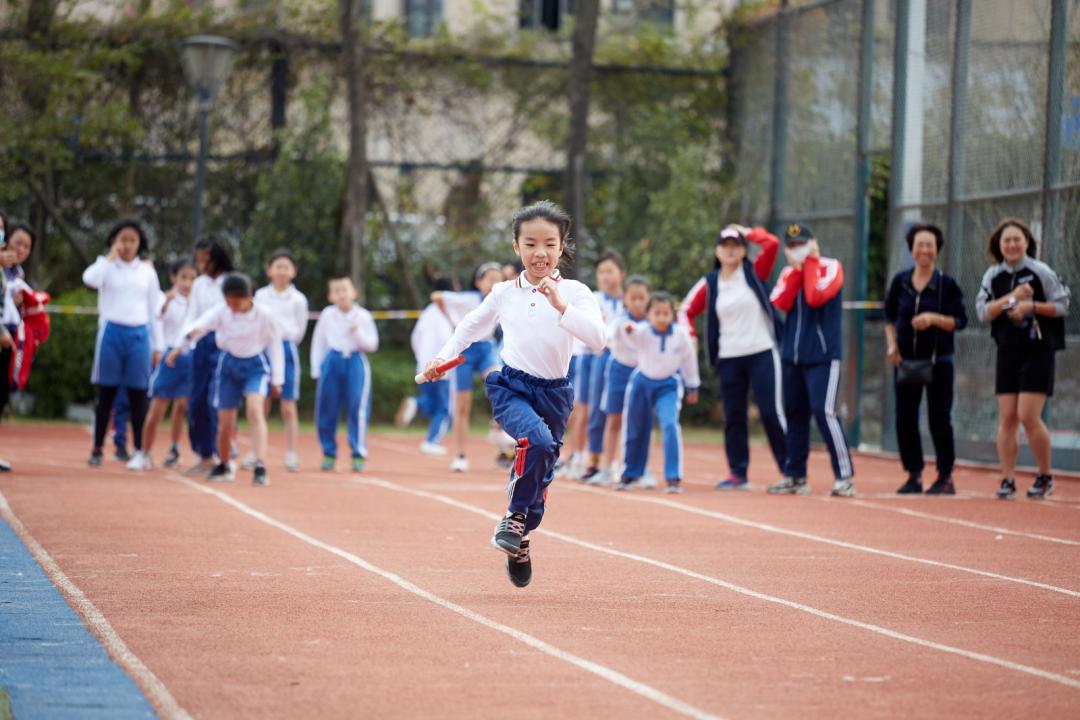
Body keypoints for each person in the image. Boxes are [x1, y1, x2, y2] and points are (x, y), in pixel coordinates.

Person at [422, 200, 605, 588]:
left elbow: (598, 340)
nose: (540, 253)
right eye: (531, 243)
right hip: (512, 387)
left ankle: (520, 537)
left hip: (555, 393)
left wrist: (561, 306)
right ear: (516, 246)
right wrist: (441, 358)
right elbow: (469, 327)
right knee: (535, 441)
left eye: (549, 244)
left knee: (542, 469)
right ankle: (514, 517)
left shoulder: (575, 291)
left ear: (562, 247)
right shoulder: (504, 292)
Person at [680, 224, 787, 491]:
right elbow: (685, 310)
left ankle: (790, 470)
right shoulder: (711, 282)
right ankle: (738, 472)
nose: (730, 250)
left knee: (771, 412)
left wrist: (748, 232)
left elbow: (772, 244)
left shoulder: (754, 272)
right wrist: (690, 337)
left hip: (762, 351)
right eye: (725, 245)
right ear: (717, 250)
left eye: (736, 245)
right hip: (729, 357)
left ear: (743, 250)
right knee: (734, 416)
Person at [975, 218, 1070, 500]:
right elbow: (982, 312)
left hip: (1038, 350)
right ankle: (1007, 478)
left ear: (1027, 242)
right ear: (999, 245)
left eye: (1017, 239)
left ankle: (1044, 475)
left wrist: (1031, 306)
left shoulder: (1040, 271)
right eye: (1007, 240)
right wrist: (1011, 298)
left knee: (1029, 415)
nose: (1012, 245)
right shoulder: (993, 276)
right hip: (1007, 350)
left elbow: (1062, 305)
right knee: (1007, 416)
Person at [767, 223, 855, 497]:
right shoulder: (787, 273)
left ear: (813, 243)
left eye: (802, 243)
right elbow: (779, 301)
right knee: (795, 416)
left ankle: (844, 476)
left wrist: (811, 262)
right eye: (792, 246)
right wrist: (796, 270)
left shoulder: (831, 267)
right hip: (792, 356)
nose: (798, 249)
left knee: (824, 411)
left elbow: (816, 296)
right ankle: (795, 475)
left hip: (823, 356)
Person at [884, 223, 968, 495]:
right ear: (912, 249)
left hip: (938, 361)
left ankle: (945, 476)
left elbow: (960, 321)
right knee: (904, 418)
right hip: (905, 361)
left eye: (929, 245)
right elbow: (888, 317)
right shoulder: (901, 282)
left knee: (939, 418)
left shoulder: (946, 284)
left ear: (936, 250)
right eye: (919, 244)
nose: (924, 250)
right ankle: (914, 474)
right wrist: (892, 346)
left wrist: (934, 319)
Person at [180, 273, 282, 486]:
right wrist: (192, 333)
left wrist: (277, 379)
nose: (232, 306)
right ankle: (224, 464)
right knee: (224, 422)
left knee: (255, 411)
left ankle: (260, 465)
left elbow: (275, 346)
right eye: (228, 301)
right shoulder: (222, 311)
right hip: (228, 367)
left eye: (236, 301)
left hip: (255, 367)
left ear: (248, 296)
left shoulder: (265, 315)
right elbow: (201, 324)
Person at [83, 220, 163, 467]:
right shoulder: (105, 266)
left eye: (132, 240)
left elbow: (154, 310)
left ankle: (139, 449)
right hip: (111, 332)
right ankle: (97, 448)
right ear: (114, 241)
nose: (127, 245)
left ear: (140, 244)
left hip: (139, 335)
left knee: (138, 394)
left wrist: (157, 345)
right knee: (106, 393)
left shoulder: (147, 272)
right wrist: (109, 257)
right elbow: (90, 279)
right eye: (123, 239)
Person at [616, 292, 700, 493]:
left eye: (666, 313)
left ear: (672, 315)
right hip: (642, 383)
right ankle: (630, 473)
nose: (661, 317)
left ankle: (673, 478)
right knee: (635, 427)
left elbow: (689, 361)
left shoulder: (681, 336)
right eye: (656, 313)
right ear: (649, 315)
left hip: (668, 385)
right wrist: (628, 329)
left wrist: (693, 385)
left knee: (670, 425)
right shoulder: (643, 331)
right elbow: (631, 333)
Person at [431, 262, 504, 473]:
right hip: (465, 351)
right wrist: (453, 320)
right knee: (462, 406)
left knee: (500, 385)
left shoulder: (503, 300)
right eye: (489, 278)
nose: (494, 283)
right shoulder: (470, 299)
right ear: (478, 282)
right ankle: (461, 455)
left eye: (498, 279)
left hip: (486, 349)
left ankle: (498, 426)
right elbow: (437, 297)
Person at [131, 258, 197, 471]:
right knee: (158, 407)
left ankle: (175, 448)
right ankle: (144, 452)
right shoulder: (165, 299)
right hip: (170, 358)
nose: (187, 283)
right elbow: (157, 316)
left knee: (183, 406)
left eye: (192, 279)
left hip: (191, 358)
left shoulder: (198, 302)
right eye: (183, 278)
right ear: (174, 278)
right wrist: (167, 302)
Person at [585, 275, 650, 486]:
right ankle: (607, 467)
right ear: (626, 300)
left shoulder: (652, 324)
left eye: (642, 298)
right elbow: (609, 334)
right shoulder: (620, 321)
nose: (638, 302)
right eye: (634, 298)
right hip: (618, 373)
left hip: (642, 376)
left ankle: (638, 469)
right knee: (614, 420)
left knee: (639, 423)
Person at [311, 275, 379, 473]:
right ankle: (329, 452)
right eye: (337, 290)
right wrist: (317, 369)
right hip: (332, 361)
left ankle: (358, 453)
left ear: (354, 293)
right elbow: (319, 342)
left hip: (356, 361)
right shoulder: (327, 315)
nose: (341, 294)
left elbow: (372, 344)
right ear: (330, 296)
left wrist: (357, 333)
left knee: (357, 407)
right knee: (327, 407)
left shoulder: (363, 316)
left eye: (345, 289)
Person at [252, 249, 309, 472]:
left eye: (287, 267)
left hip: (286, 349)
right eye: (278, 266)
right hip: (264, 349)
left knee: (288, 405)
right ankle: (256, 452)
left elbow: (300, 330)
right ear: (269, 270)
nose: (282, 271)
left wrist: (283, 343)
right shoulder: (260, 296)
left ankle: (292, 453)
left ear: (293, 272)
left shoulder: (298, 299)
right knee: (260, 403)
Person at [181, 236, 234, 475]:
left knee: (217, 400)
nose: (201, 264)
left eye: (206, 259)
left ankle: (222, 452)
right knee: (197, 401)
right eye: (199, 259)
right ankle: (203, 454)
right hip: (200, 345)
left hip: (223, 344)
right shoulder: (200, 284)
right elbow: (191, 315)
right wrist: (183, 342)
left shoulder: (231, 282)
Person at [580, 250, 626, 482]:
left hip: (626, 359)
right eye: (601, 272)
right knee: (597, 409)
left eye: (610, 271)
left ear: (621, 274)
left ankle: (621, 462)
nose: (606, 276)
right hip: (599, 356)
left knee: (621, 413)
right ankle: (595, 461)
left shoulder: (632, 299)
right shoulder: (593, 299)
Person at [401, 277, 455, 455]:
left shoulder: (426, 314)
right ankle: (432, 440)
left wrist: (421, 358)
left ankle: (416, 404)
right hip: (441, 369)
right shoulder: (444, 316)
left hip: (423, 366)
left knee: (432, 404)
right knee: (443, 408)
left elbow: (414, 338)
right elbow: (449, 341)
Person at [0, 221, 33, 425]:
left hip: (9, 334)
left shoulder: (18, 273)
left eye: (26, 246)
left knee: (2, 391)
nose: (20, 249)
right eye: (17, 242)